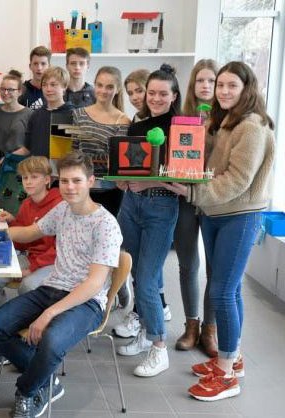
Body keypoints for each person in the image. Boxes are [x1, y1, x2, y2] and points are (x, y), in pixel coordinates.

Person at [162, 61, 274, 401]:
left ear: (246, 90)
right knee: (229, 290)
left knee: (222, 292)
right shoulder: (226, 122)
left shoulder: (251, 127)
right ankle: (233, 357)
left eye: (230, 86)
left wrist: (191, 192)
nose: (223, 91)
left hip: (238, 216)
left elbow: (238, 181)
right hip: (214, 212)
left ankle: (226, 374)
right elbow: (208, 164)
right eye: (220, 85)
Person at [0, 151, 122, 418]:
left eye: (77, 181)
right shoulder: (62, 210)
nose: (69, 187)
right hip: (52, 288)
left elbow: (94, 284)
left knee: (52, 341)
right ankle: (47, 381)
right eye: (65, 181)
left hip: (86, 302)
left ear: (91, 181)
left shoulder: (106, 225)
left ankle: (27, 391)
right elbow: (31, 232)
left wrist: (50, 313)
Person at [114, 64, 181, 378]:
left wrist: (153, 184)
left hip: (161, 208)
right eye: (151, 92)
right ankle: (144, 333)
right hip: (131, 205)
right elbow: (130, 165)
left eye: (162, 94)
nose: (154, 98)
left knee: (148, 277)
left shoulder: (182, 128)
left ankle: (159, 348)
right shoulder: (137, 123)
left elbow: (184, 177)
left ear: (174, 96)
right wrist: (123, 181)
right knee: (138, 276)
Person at [0, 156, 62, 367]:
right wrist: (14, 221)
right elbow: (23, 238)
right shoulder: (27, 203)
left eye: (34, 177)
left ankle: (27, 340)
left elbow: (59, 248)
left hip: (52, 263)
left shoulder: (59, 204)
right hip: (31, 257)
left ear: (48, 180)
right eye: (25, 177)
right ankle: (8, 333)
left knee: (28, 286)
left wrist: (31, 268)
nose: (28, 182)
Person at [174, 59, 219, 355]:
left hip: (216, 200)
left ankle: (209, 330)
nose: (205, 86)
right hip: (184, 198)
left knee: (217, 269)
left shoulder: (228, 120)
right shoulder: (181, 118)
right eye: (200, 81)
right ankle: (191, 325)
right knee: (188, 263)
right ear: (192, 86)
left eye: (211, 81)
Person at [71, 66, 130, 217]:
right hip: (80, 190)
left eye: (109, 87)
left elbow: (116, 161)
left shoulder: (123, 121)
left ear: (117, 90)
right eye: (100, 85)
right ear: (94, 85)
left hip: (110, 192)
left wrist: (86, 160)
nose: (103, 90)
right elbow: (73, 153)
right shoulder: (78, 114)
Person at [0, 73, 32, 173]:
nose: (6, 93)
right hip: (1, 167)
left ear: (20, 92)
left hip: (24, 168)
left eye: (11, 90)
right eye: (2, 89)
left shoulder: (30, 115)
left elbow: (31, 146)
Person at [24, 67, 74, 158]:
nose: (48, 89)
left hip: (61, 170)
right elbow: (28, 147)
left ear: (64, 87)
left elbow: (74, 151)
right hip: (37, 169)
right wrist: (8, 157)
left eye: (53, 84)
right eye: (44, 85)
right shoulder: (36, 115)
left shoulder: (72, 114)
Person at [18, 46, 51, 110]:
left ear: (49, 66)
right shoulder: (21, 91)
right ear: (30, 66)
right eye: (35, 64)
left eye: (43, 64)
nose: (39, 68)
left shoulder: (54, 90)